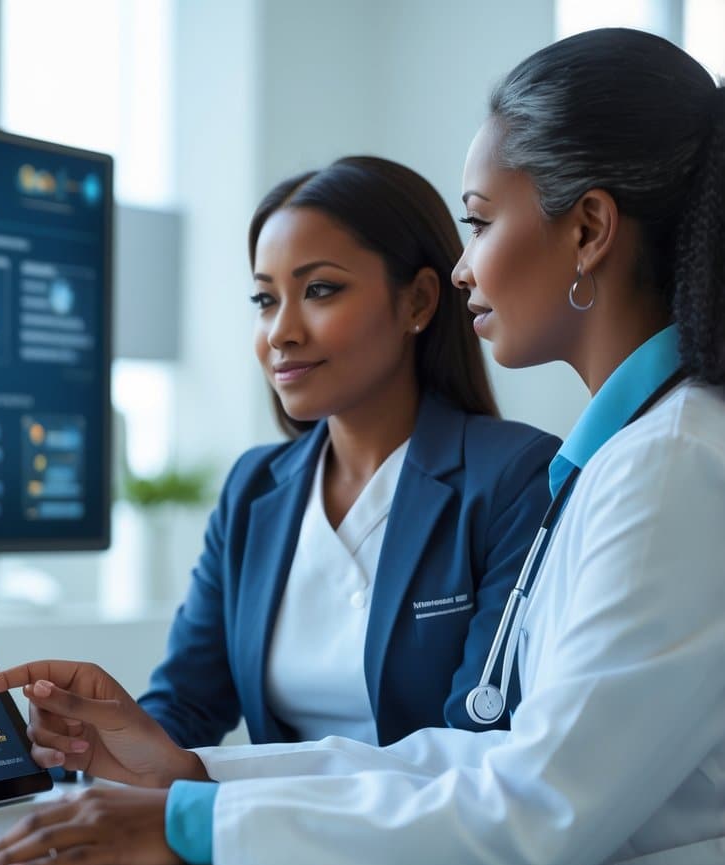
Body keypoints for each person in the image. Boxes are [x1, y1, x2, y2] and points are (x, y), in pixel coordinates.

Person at [0, 28, 725, 865]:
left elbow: (530, 806)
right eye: (263, 299)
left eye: (479, 222)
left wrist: (197, 820)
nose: (467, 265)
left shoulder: (666, 465)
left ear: (589, 228)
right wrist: (193, 777)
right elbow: (477, 762)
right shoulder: (626, 462)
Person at [138, 157, 558, 750]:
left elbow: (480, 744)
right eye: (264, 299)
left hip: (423, 838)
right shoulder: (253, 487)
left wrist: (226, 804)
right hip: (260, 834)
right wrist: (94, 740)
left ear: (417, 302)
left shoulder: (517, 479)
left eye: (319, 290)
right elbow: (183, 704)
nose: (281, 331)